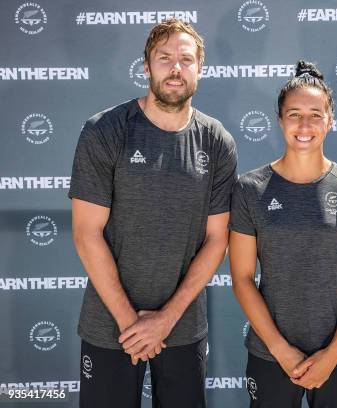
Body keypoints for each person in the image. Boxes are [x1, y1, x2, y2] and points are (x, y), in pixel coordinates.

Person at [68, 18, 237, 407]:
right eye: (164, 58)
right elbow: (86, 234)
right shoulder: (105, 130)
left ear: (200, 69)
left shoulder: (217, 141)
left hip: (182, 328)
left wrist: (163, 321)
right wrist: (132, 324)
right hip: (109, 327)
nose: (175, 68)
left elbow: (217, 240)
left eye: (185, 59)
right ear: (146, 67)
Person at [229, 60, 337, 408]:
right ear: (280, 121)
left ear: (330, 121)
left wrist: (335, 351)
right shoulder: (250, 189)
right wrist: (282, 351)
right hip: (271, 355)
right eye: (294, 114)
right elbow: (242, 278)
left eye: (315, 113)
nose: (305, 124)